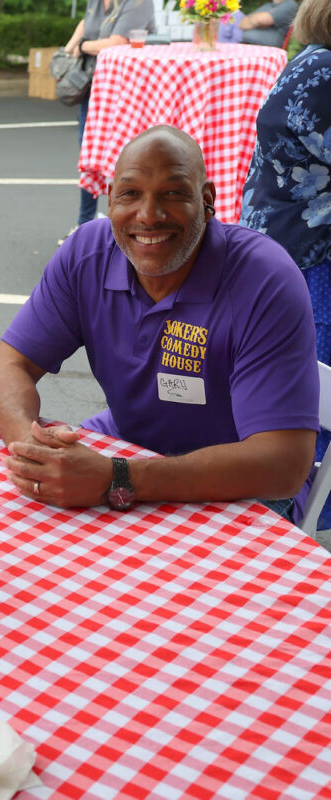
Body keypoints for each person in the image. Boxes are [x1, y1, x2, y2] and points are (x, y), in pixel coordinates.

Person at [0, 126, 318, 514]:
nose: (149, 215)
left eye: (173, 193)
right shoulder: (87, 254)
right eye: (130, 193)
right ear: (110, 201)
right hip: (127, 449)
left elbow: (283, 464)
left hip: (240, 491)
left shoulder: (263, 279)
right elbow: (10, 364)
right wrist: (30, 448)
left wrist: (118, 478)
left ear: (207, 200)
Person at [241, 0, 331, 525]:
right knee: (310, 396)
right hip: (309, 256)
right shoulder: (324, 70)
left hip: (284, 244)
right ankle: (286, 520)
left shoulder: (312, 58)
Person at [61, 0, 155, 239]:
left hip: (128, 91)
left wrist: (81, 46)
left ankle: (127, 228)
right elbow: (86, 22)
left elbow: (118, 42)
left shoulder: (138, 3)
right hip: (95, 86)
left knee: (129, 160)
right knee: (88, 155)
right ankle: (84, 226)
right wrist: (68, 49)